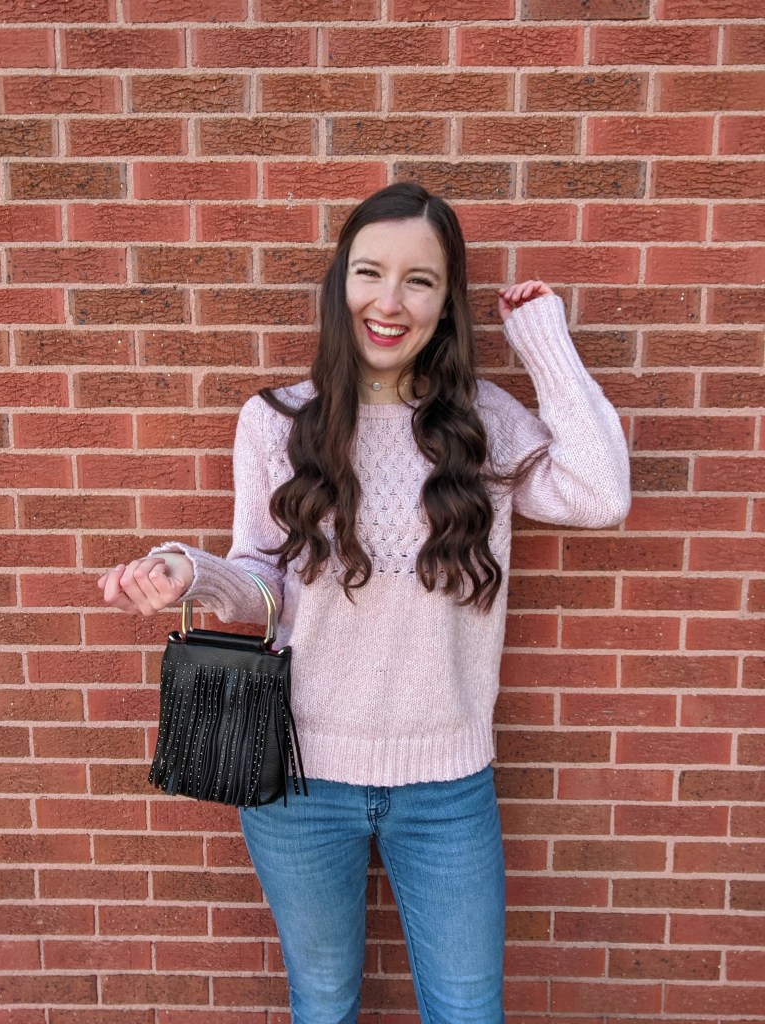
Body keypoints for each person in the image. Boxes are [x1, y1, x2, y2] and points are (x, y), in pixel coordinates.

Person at [99, 182, 631, 1024]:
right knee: (324, 999)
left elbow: (601, 494)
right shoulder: (275, 422)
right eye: (370, 272)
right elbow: (261, 576)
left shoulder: (480, 423)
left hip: (448, 784)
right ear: (340, 281)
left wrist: (543, 341)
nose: (390, 302)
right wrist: (186, 570)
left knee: (466, 1009)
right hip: (299, 780)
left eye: (419, 280)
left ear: (446, 301)